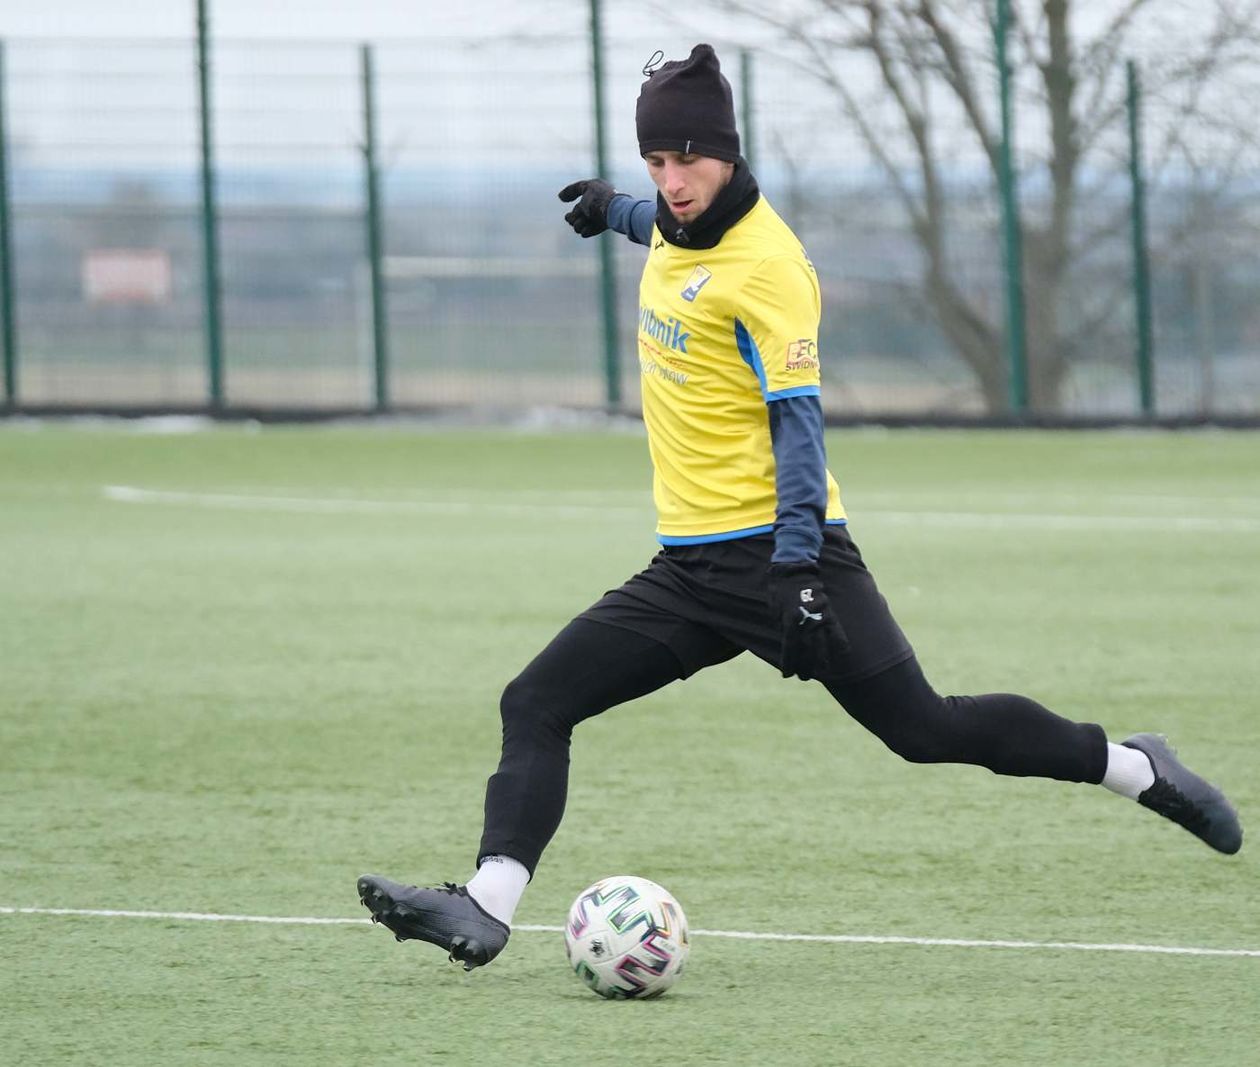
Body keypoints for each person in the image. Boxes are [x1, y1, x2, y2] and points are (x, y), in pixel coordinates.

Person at [357, 44, 1242, 970]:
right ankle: (487, 906)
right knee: (537, 699)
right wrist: (612, 206)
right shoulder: (673, 221)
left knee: (926, 730)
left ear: (726, 153)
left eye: (686, 160)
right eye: (656, 162)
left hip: (786, 554)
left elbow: (800, 428)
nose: (672, 181)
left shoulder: (770, 267)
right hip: (688, 570)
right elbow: (659, 224)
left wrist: (796, 567)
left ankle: (1135, 766)